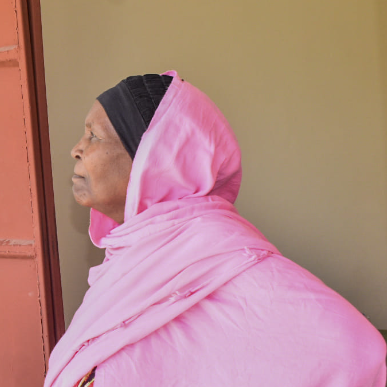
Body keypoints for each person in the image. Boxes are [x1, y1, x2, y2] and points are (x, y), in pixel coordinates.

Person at [45, 71, 387, 387]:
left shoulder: (223, 255)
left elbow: (357, 351)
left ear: (153, 160)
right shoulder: (129, 258)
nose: (76, 149)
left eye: (94, 136)